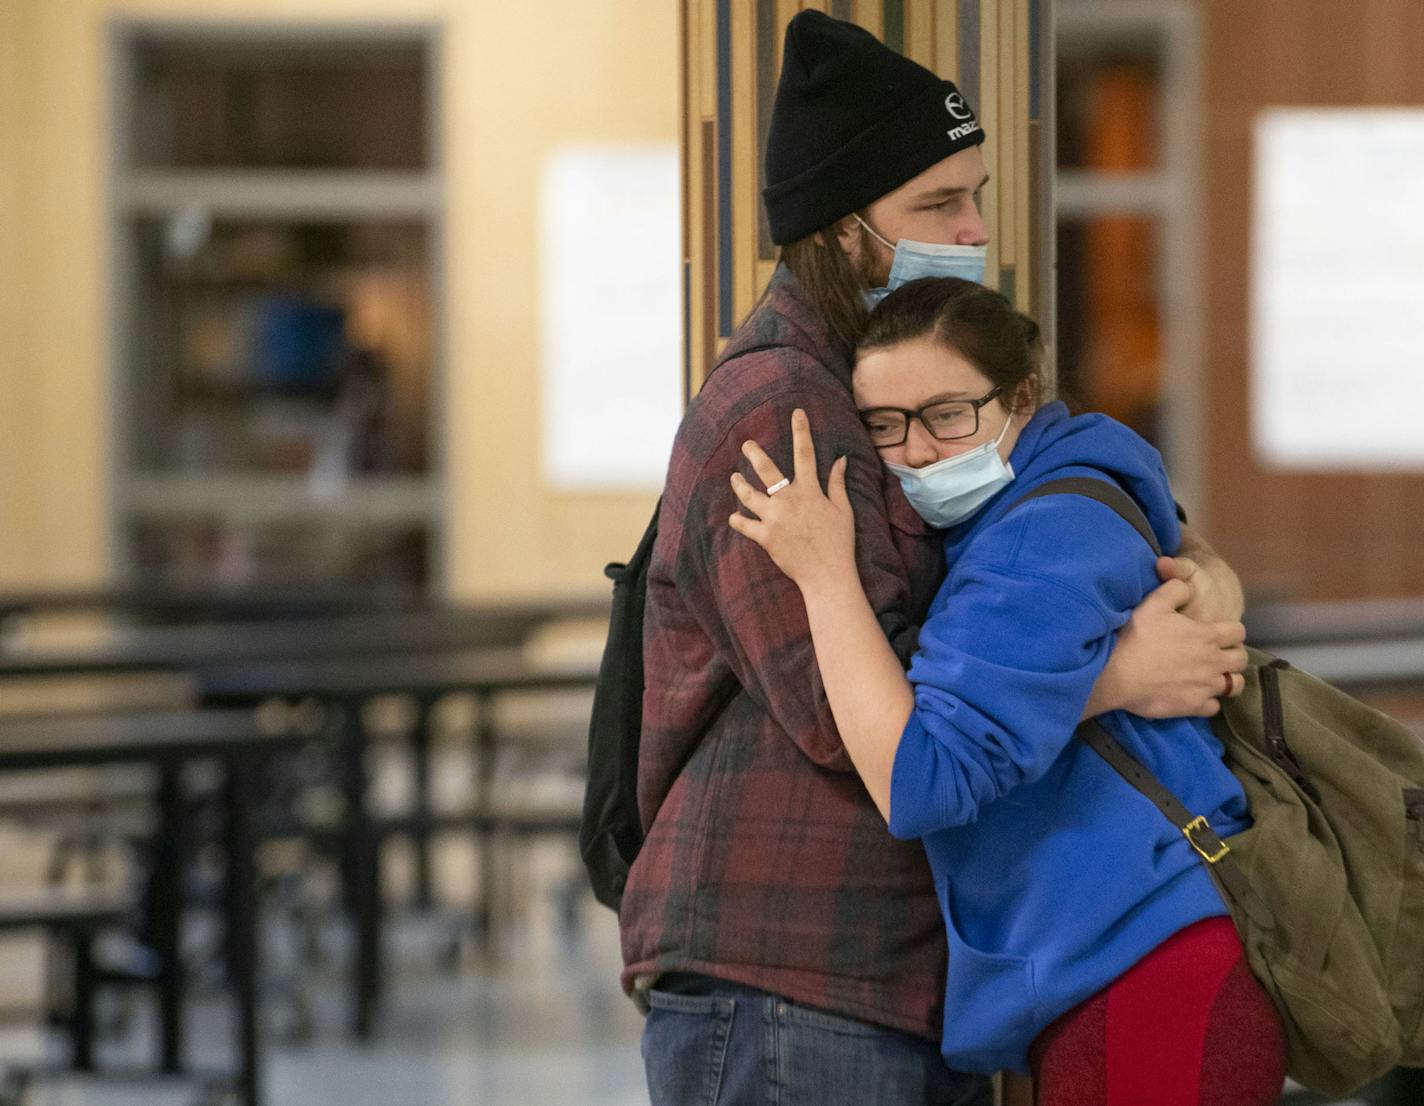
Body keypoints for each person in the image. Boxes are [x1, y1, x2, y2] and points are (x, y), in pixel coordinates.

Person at [621, 12, 1249, 1105]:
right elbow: (855, 720)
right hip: (785, 971)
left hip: (889, 974)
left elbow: (1041, 507)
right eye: (935, 203)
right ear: (838, 226)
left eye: (976, 194)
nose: (970, 230)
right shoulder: (777, 413)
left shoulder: (889, 377)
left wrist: (1196, 566)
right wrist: (1116, 678)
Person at [727, 276, 1286, 1105]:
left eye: (949, 415)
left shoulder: (1033, 540)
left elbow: (924, 779)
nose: (917, 453)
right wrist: (1119, 678)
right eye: (884, 426)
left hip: (1141, 964)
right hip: (1132, 957)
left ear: (1021, 396)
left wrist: (822, 572)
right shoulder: (1074, 477)